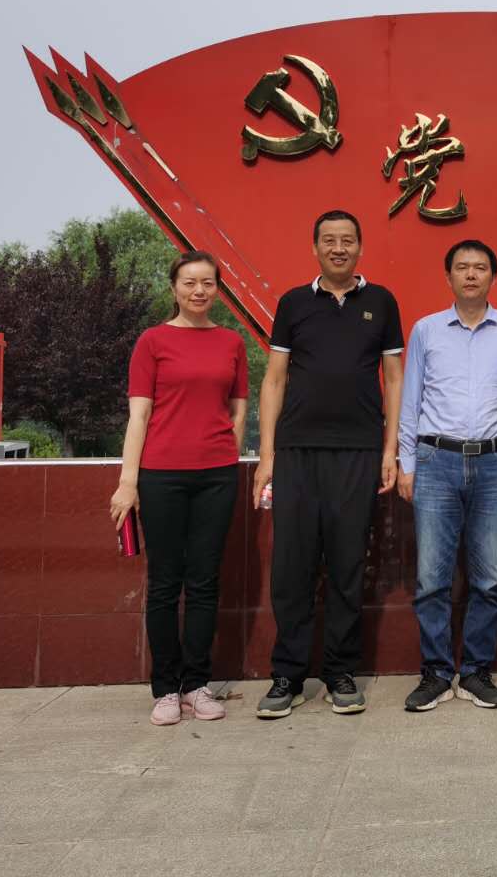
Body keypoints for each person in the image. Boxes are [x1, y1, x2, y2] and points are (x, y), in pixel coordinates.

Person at [254, 210, 404, 718]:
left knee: (346, 564)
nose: (338, 248)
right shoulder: (293, 303)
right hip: (296, 451)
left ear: (360, 247)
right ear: (315, 247)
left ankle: (340, 671)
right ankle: (287, 676)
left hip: (358, 451)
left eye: (347, 240)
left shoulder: (381, 302)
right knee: (291, 567)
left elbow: (394, 379)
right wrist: (267, 455)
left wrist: (389, 449)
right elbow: (274, 379)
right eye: (329, 240)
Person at [110, 250, 248, 727]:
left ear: (217, 290)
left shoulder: (231, 342)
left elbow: (238, 410)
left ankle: (197, 685)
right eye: (190, 282)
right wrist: (128, 482)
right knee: (166, 583)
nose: (198, 291)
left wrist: (225, 451)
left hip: (217, 475)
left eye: (207, 283)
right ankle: (166, 688)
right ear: (174, 288)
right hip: (161, 474)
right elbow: (139, 415)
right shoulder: (152, 341)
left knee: (205, 582)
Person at [397, 239, 497, 711]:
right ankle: (436, 673)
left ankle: (476, 671)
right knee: (431, 577)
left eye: (480, 268)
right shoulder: (426, 330)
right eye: (462, 267)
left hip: (494, 463)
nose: (471, 275)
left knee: (489, 576)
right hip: (436, 461)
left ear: (493, 276)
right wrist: (406, 463)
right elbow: (410, 400)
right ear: (448, 276)